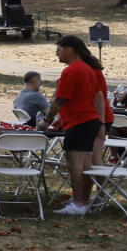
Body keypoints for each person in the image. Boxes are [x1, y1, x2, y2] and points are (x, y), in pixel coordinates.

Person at [37, 36, 113, 215]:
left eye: (59, 50)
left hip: (79, 121)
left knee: (74, 163)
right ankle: (83, 201)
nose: (57, 54)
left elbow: (60, 100)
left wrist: (46, 120)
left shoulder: (72, 71)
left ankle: (79, 203)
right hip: (90, 121)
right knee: (86, 165)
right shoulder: (87, 69)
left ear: (70, 49)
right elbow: (98, 96)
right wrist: (100, 122)